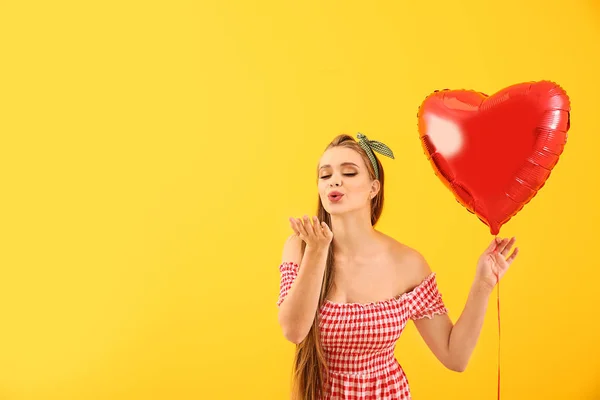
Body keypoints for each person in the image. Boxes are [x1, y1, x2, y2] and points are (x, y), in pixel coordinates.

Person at [276, 133, 519, 400]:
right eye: (325, 175)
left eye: (349, 173)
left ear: (373, 188)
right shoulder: (300, 247)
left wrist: (483, 285)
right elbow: (294, 331)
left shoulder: (407, 263)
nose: (335, 180)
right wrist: (317, 251)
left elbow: (455, 356)